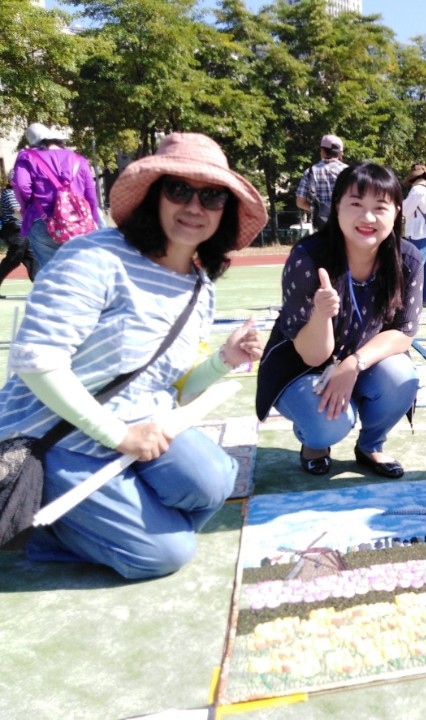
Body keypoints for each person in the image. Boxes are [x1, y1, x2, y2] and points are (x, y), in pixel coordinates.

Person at [0, 132, 268, 579]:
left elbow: (170, 387)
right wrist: (119, 436)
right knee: (165, 554)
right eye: (179, 190)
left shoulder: (199, 289)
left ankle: (110, 519)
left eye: (213, 196)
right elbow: (37, 361)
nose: (195, 207)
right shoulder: (95, 256)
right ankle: (37, 524)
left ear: (227, 211)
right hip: (51, 435)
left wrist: (224, 359)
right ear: (154, 195)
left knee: (214, 480)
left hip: (139, 426)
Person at [256, 162, 424, 479]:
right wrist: (321, 315)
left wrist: (353, 364)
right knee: (331, 423)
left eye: (380, 207)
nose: (368, 218)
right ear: (337, 208)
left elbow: (403, 332)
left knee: (402, 375)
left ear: (397, 211)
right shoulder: (308, 257)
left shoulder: (408, 258)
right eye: (356, 205)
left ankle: (371, 445)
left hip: (361, 362)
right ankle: (315, 444)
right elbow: (313, 355)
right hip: (303, 368)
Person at [11, 122, 101, 270]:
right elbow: (91, 194)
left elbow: (21, 185)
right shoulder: (78, 159)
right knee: (83, 271)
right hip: (79, 224)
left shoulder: (27, 157)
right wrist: (94, 221)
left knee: (53, 273)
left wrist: (28, 208)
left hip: (42, 220)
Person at [402, 162, 426, 308]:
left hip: (420, 232)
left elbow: (406, 210)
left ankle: (409, 297)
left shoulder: (417, 190)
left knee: (414, 263)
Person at [295, 134, 348, 229]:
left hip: (321, 228)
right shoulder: (348, 172)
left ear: (322, 151)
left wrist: (316, 209)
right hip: (344, 224)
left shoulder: (310, 172)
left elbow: (300, 202)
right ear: (340, 153)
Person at [0, 175, 37, 296]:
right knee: (13, 260)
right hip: (14, 229)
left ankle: (40, 288)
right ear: (11, 181)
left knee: (32, 259)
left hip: (23, 230)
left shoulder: (20, 193)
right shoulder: (9, 193)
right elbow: (17, 212)